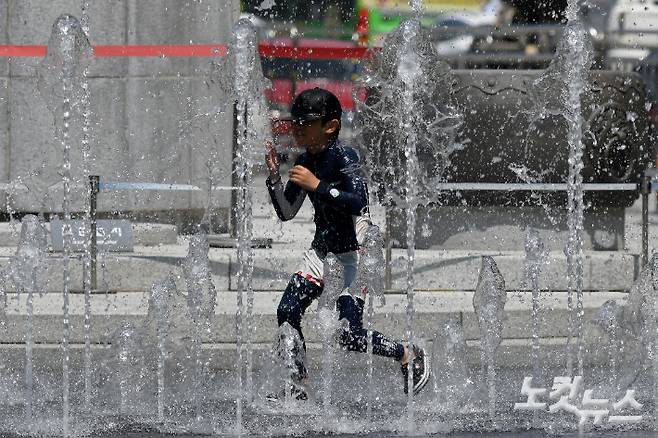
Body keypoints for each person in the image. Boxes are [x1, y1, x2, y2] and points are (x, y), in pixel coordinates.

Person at [264, 87, 430, 401]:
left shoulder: (345, 157)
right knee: (287, 311)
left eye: (306, 123)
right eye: (295, 122)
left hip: (354, 256)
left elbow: (359, 202)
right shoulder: (304, 160)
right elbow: (286, 212)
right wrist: (274, 177)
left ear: (331, 126)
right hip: (321, 254)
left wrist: (319, 186)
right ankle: (297, 386)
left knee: (348, 335)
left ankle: (408, 354)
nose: (297, 129)